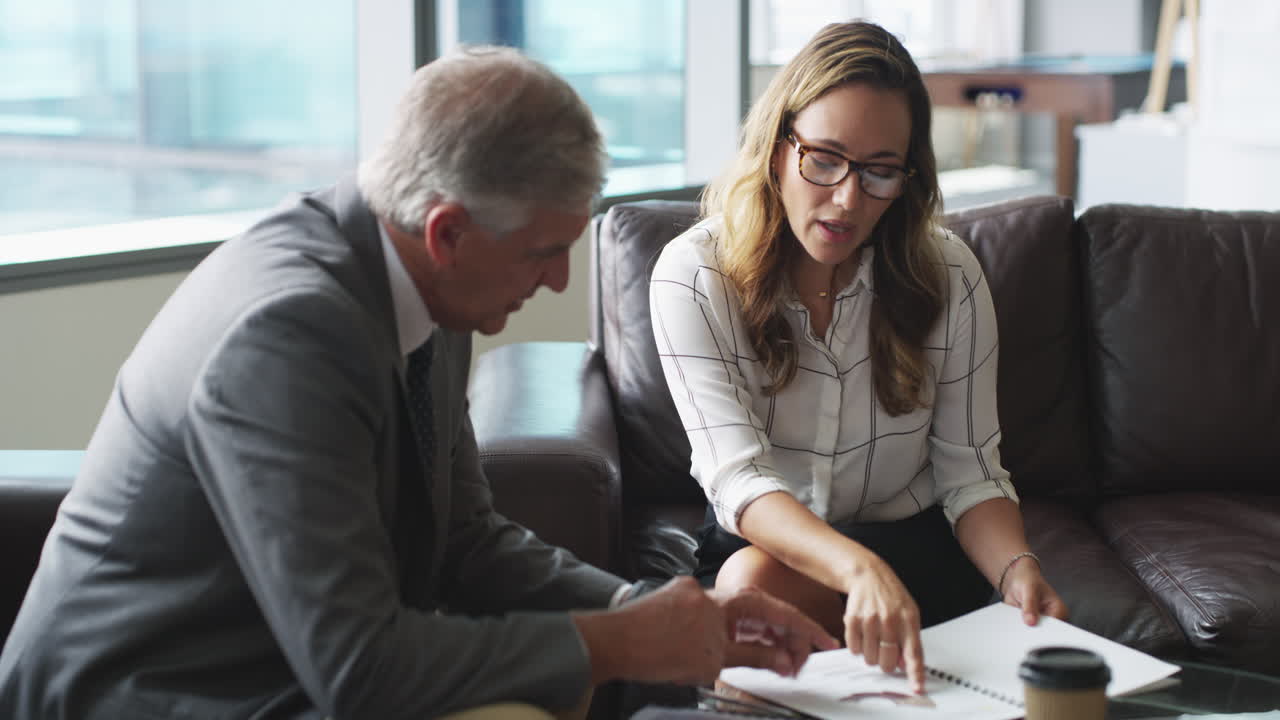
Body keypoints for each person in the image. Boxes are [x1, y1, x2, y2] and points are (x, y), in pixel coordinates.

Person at [0, 46, 836, 720]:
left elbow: (468, 542)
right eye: (543, 254)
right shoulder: (287, 337)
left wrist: (664, 614)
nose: (553, 283)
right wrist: (617, 645)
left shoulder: (422, 283)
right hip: (156, 692)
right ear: (449, 232)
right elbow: (359, 671)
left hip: (280, 663)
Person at [648, 21, 1067, 694]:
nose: (847, 198)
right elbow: (738, 479)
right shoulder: (696, 274)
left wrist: (1017, 568)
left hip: (917, 545)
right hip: (772, 546)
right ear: (777, 148)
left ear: (908, 174)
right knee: (749, 587)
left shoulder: (949, 275)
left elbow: (971, 475)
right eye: (824, 158)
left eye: (879, 170)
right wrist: (856, 570)